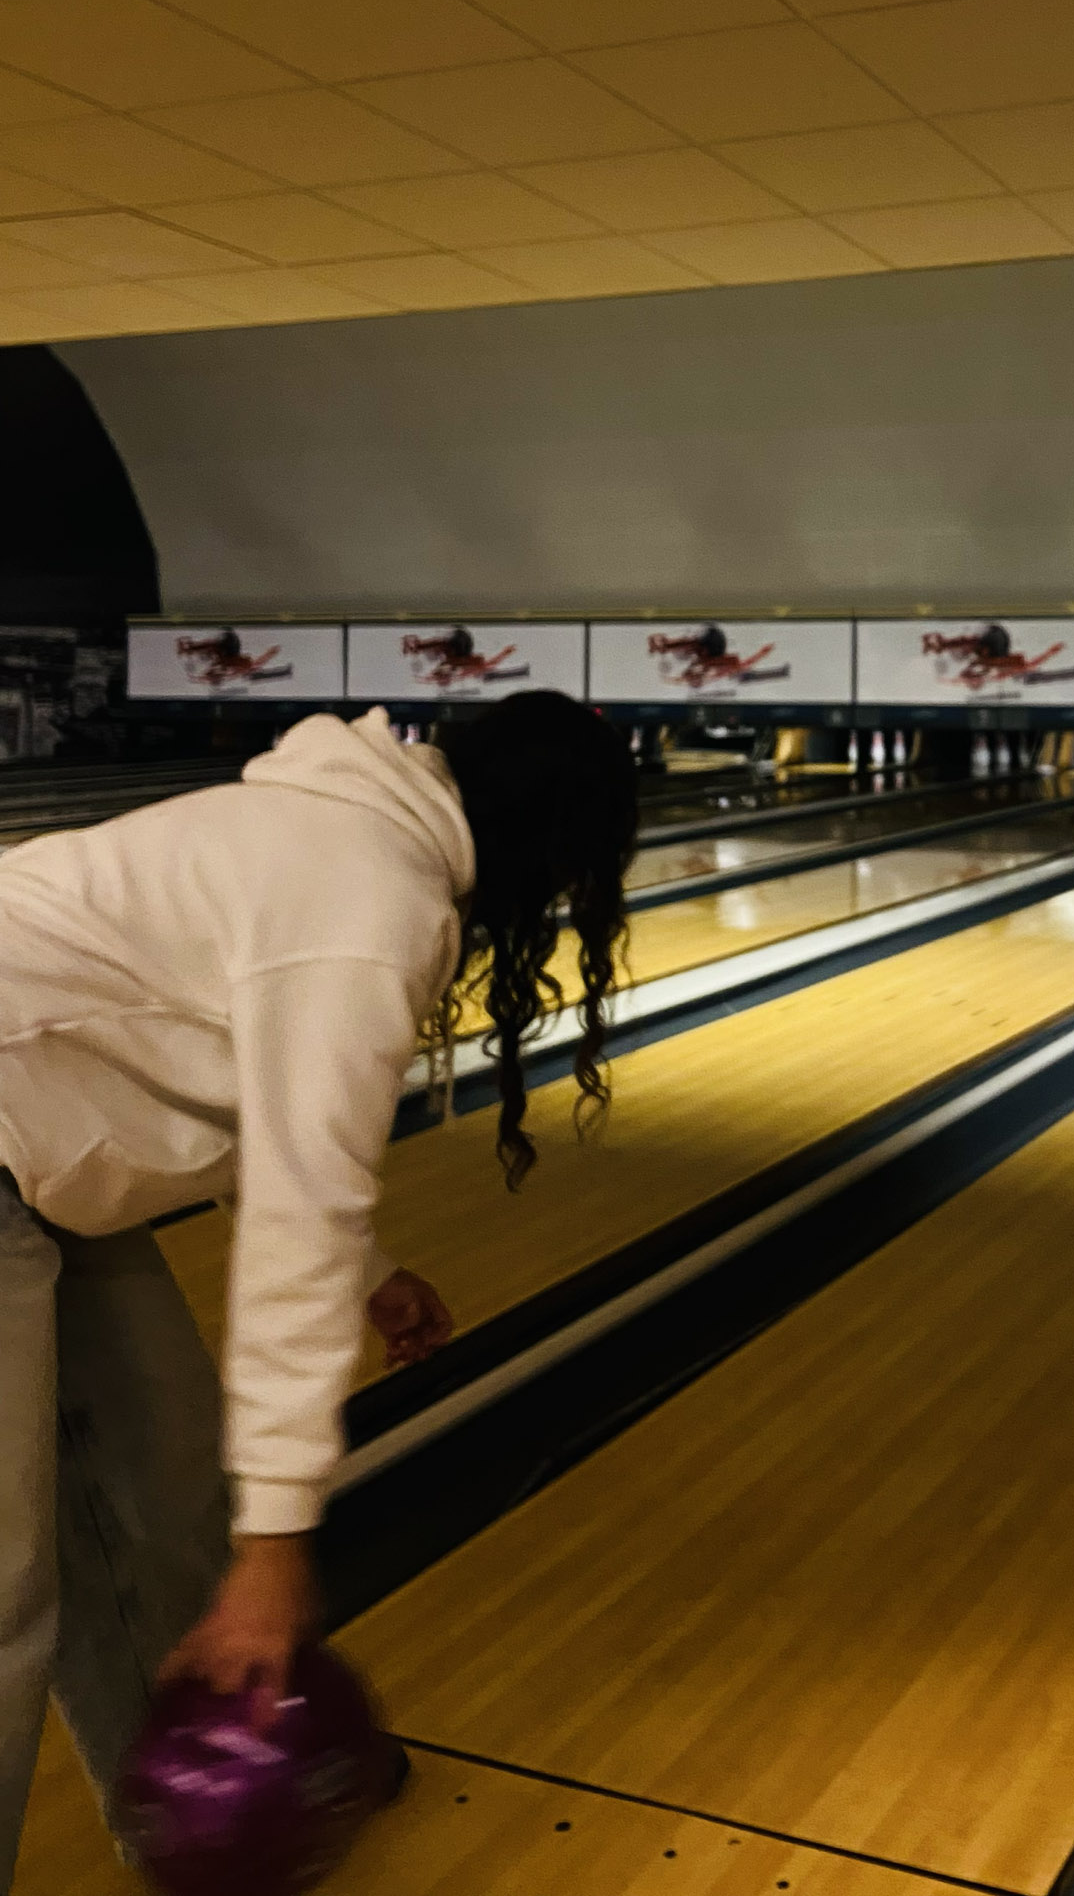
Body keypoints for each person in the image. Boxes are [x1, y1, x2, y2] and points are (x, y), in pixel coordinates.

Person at [0, 690, 635, 1887]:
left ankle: (204, 1784)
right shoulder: (370, 902)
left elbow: (240, 1099)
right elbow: (300, 1215)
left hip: (38, 1138)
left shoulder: (353, 839)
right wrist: (278, 1542)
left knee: (159, 1476)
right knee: (7, 1580)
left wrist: (371, 1277)